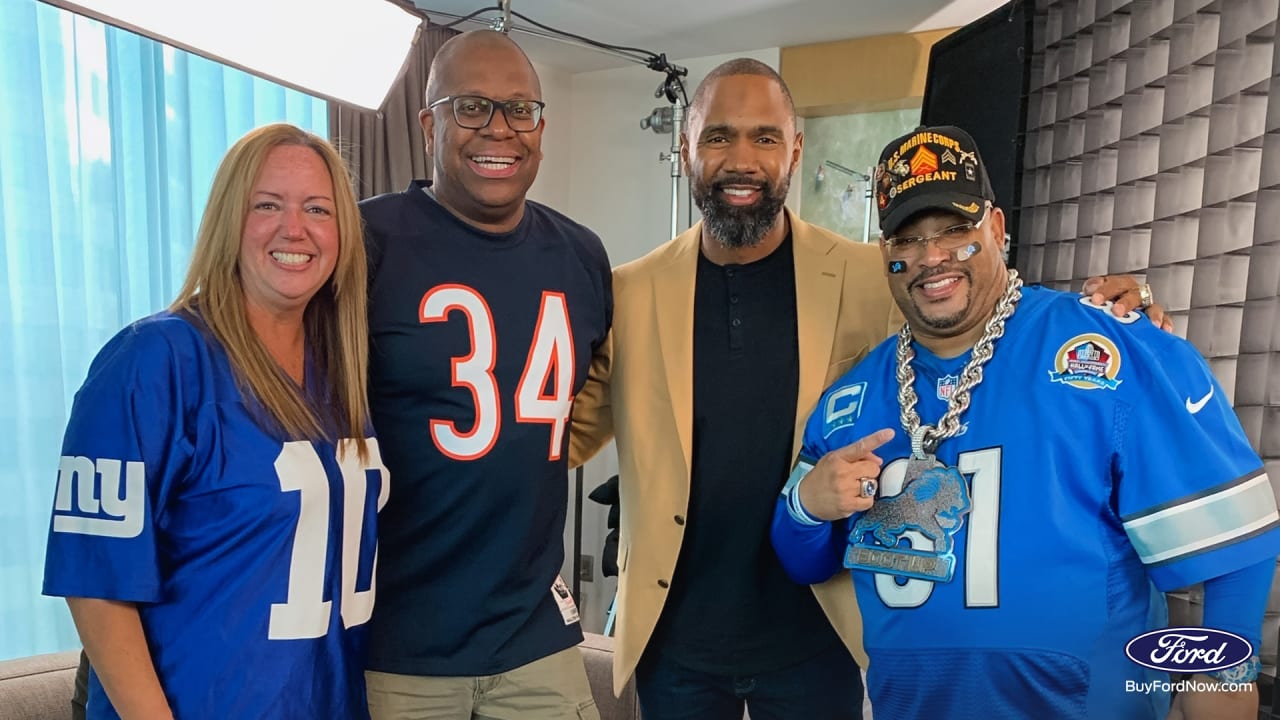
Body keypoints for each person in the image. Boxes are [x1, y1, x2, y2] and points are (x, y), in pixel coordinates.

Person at [568, 61, 1159, 720]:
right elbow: (565, 434)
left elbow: (988, 309)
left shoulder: (873, 272)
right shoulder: (627, 291)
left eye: (765, 138)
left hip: (819, 634)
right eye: (718, 137)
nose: (742, 159)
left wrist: (1116, 314)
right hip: (675, 643)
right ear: (687, 148)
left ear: (795, 151)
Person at [772, 125, 1279, 719]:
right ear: (887, 254)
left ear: (996, 229)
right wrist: (806, 504)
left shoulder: (1107, 350)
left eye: (954, 230)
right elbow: (803, 560)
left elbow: (1232, 552)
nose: (931, 257)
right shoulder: (851, 398)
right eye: (908, 238)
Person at [43, 122, 386, 719]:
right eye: (267, 205)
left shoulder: (342, 370)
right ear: (230, 219)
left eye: (317, 209)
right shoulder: (152, 360)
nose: (294, 228)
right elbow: (95, 579)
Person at [359, 30, 610, 720]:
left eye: (519, 109)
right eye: (471, 107)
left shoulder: (581, 256)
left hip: (533, 633)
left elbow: (574, 410)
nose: (498, 129)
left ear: (541, 126)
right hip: (401, 637)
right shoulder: (366, 243)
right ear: (428, 122)